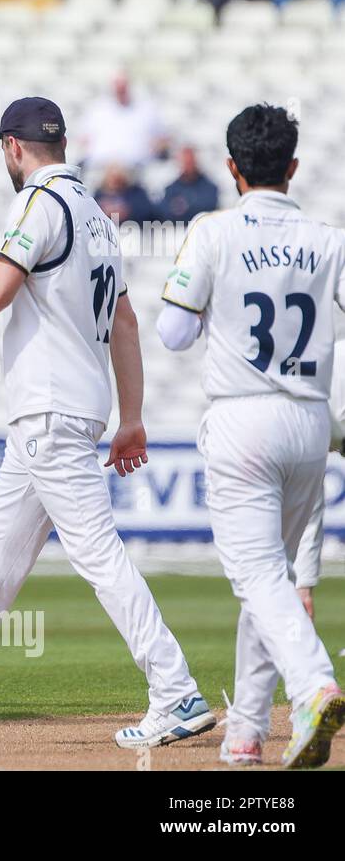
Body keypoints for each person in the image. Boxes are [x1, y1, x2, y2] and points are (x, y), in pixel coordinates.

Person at [0, 97, 213, 748]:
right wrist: (133, 418)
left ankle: (175, 691)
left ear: (13, 147)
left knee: (97, 554)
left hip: (49, 407)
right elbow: (125, 321)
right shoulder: (95, 214)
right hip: (64, 410)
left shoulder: (43, 202)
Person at [157, 103, 345, 768]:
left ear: (232, 168)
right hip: (310, 421)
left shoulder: (213, 230)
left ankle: (314, 685)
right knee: (267, 581)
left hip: (242, 417)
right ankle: (245, 733)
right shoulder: (330, 238)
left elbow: (174, 333)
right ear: (292, 167)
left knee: (259, 576)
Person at [77, 74, 169, 172]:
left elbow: (163, 140)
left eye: (123, 86)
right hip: (102, 169)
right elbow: (83, 140)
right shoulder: (97, 109)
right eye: (118, 86)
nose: (120, 90)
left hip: (136, 169)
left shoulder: (146, 110)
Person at [158, 146, 220, 223]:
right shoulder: (171, 188)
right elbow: (165, 212)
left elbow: (208, 208)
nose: (188, 165)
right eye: (185, 162)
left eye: (190, 161)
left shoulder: (209, 187)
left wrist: (184, 207)